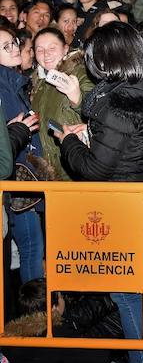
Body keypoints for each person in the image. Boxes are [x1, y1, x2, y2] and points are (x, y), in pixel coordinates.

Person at [55, 22, 143, 363]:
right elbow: (136, 141)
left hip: (118, 207)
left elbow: (95, 168)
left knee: (126, 293)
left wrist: (69, 142)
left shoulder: (118, 106)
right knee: (137, 286)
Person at [0, 26, 44, 285]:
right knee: (31, 248)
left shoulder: (14, 81)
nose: (15, 47)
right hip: (15, 178)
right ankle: (36, 315)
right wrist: (15, 130)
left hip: (23, 174)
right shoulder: (5, 85)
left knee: (29, 249)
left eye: (14, 42)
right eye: (6, 46)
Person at [30, 28, 94, 181]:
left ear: (65, 48)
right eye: (40, 50)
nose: (46, 54)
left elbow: (101, 112)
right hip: (49, 172)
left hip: (76, 166)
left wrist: (77, 98)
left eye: (52, 48)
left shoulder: (81, 73)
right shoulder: (38, 84)